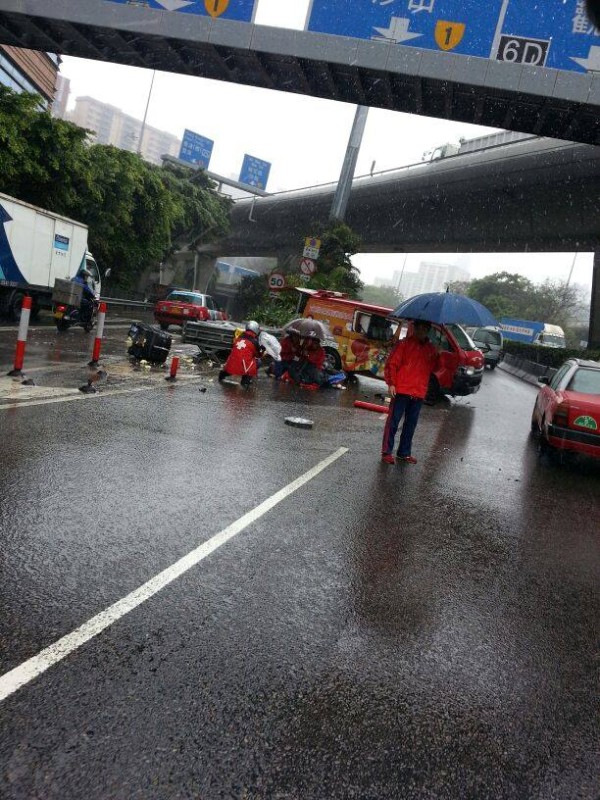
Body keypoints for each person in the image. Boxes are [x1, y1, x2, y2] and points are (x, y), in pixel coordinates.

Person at [381, 320, 439, 465]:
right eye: (419, 327)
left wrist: (438, 356)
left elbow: (434, 369)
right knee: (393, 422)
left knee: (411, 424)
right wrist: (392, 383)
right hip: (402, 390)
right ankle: (387, 452)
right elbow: (392, 364)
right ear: (415, 328)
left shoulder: (431, 349)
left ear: (428, 330)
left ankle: (404, 452)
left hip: (419, 392)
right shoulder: (404, 344)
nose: (421, 330)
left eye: (425, 328)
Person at [219, 320, 263, 387]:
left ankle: (222, 374)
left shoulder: (239, 337)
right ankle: (245, 380)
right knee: (258, 362)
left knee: (232, 364)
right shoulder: (254, 342)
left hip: (231, 364)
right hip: (243, 366)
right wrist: (262, 350)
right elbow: (258, 355)